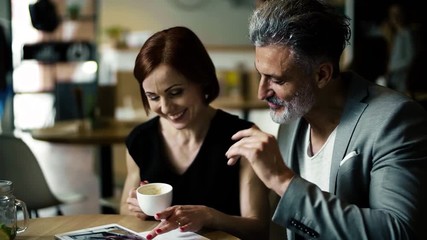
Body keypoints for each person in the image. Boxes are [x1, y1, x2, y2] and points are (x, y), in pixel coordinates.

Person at [225, 0, 427, 239]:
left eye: (277, 81)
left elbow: (398, 231)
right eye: (261, 75)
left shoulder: (395, 119)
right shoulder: (292, 117)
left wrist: (281, 179)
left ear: (322, 74)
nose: (261, 93)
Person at [119, 26, 271, 240]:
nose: (166, 107)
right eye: (153, 97)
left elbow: (259, 230)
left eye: (175, 93)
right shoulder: (140, 141)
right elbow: (124, 213)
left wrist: (210, 217)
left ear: (202, 80)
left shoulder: (242, 137)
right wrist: (138, 208)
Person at [382, 3, 415, 93]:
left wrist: (392, 67)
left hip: (402, 80)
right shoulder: (395, 34)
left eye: (398, 14)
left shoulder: (407, 33)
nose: (395, 17)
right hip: (392, 79)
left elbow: (410, 58)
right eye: (392, 14)